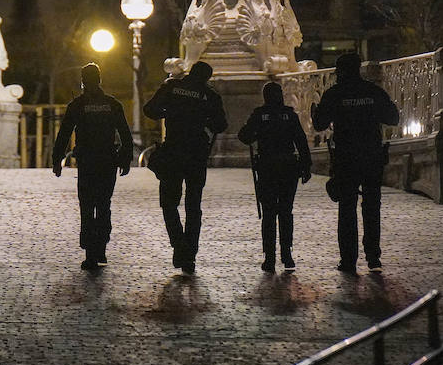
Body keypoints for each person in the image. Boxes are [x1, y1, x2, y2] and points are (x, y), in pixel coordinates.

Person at [312, 52, 399, 273]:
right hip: (371, 156)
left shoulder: (335, 94)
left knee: (347, 208)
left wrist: (316, 112)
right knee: (372, 207)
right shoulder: (373, 91)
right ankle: (373, 257)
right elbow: (393, 118)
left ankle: (348, 260)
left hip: (346, 158)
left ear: (340, 72)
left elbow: (320, 124)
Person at [143, 60, 227, 274]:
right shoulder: (209, 95)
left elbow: (150, 110)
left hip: (173, 151)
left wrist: (170, 111)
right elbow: (221, 125)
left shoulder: (172, 87)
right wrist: (203, 118)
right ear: (206, 78)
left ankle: (178, 245)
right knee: (193, 205)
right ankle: (189, 255)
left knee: (168, 203)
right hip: (196, 154)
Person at [53, 63, 133, 271]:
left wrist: (57, 160)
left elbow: (64, 134)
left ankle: (90, 253)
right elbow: (125, 134)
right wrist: (125, 159)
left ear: (82, 81)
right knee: (104, 204)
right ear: (99, 80)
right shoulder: (112, 104)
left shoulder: (77, 105)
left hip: (87, 162)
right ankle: (101, 247)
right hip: (108, 161)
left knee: (87, 207)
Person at [238, 81, 312, 271]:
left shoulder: (259, 115)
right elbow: (301, 141)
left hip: (267, 167)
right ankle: (287, 255)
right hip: (288, 167)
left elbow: (244, 136)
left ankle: (269, 257)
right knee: (286, 211)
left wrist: (256, 131)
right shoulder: (289, 115)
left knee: (269, 213)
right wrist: (306, 166)